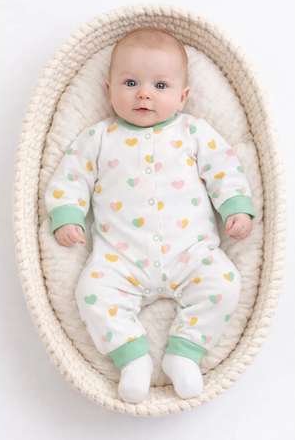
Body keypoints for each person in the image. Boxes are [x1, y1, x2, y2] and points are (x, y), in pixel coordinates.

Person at [45, 27, 255, 403]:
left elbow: (225, 169)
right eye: (130, 83)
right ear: (108, 90)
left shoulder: (194, 132)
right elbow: (70, 177)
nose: (144, 94)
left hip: (191, 253)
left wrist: (235, 207)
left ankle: (185, 351)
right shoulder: (99, 138)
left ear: (182, 96)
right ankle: (132, 357)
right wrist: (67, 215)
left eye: (160, 85)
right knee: (91, 292)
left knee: (224, 283)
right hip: (121, 259)